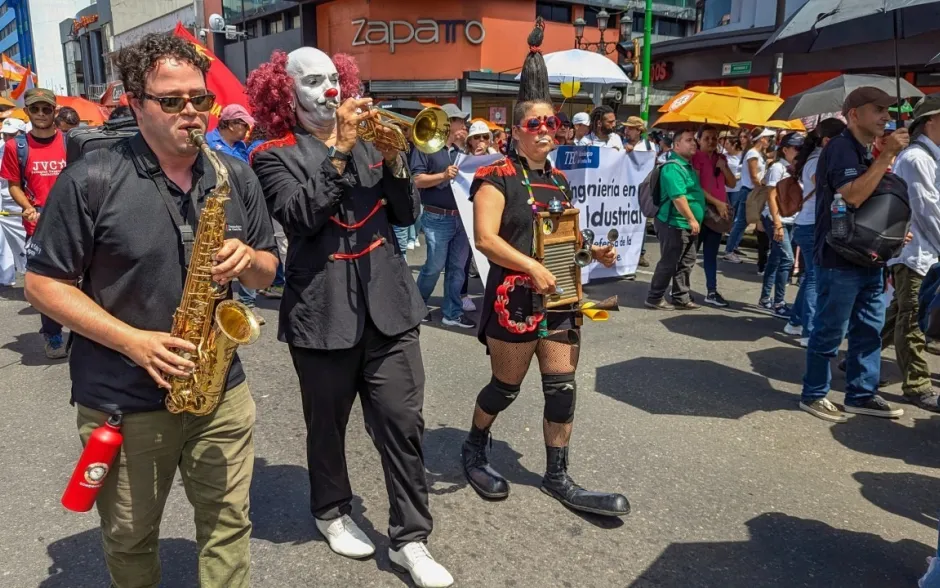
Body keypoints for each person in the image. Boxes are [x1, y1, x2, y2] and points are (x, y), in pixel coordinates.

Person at [24, 33, 279, 587]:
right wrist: (132, 341)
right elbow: (42, 284)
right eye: (172, 101)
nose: (191, 114)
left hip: (220, 392)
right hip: (124, 399)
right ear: (136, 102)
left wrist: (249, 259)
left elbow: (268, 268)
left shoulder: (232, 175)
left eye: (199, 100)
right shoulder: (90, 178)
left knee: (230, 524)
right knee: (131, 537)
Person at [247, 48, 454, 587]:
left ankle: (411, 538)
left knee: (402, 424)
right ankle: (332, 510)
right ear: (284, 93)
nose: (331, 90)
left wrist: (396, 162)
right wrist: (338, 149)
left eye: (335, 78)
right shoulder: (271, 154)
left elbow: (407, 214)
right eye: (314, 81)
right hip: (322, 313)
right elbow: (300, 216)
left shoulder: (370, 140)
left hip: (390, 306)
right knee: (327, 426)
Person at [459, 18, 629, 519]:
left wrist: (592, 251)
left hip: (558, 300)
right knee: (505, 389)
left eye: (550, 124)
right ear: (515, 131)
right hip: (513, 302)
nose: (544, 132)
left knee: (562, 390)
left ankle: (557, 475)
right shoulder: (495, 176)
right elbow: (487, 239)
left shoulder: (557, 179)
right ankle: (474, 445)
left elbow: (566, 240)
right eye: (533, 125)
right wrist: (530, 264)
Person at [800, 86, 909, 423]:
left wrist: (890, 232)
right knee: (831, 329)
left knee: (868, 330)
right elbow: (852, 196)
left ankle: (861, 394)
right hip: (839, 259)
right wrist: (887, 155)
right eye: (878, 110)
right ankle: (814, 393)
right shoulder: (843, 150)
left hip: (867, 256)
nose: (885, 118)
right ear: (854, 114)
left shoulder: (861, 151)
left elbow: (871, 204)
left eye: (888, 112)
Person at [880, 95, 940, 411]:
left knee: (901, 312)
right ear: (929, 121)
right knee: (912, 318)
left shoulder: (931, 156)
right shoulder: (918, 158)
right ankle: (917, 385)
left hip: (925, 251)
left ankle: (862, 358)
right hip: (917, 251)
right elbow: (927, 210)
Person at [0, 88, 68, 358]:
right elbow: (14, 185)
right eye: (35, 109)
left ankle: (90, 335)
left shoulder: (69, 143)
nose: (41, 114)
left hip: (73, 224)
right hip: (37, 227)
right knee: (46, 285)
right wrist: (27, 207)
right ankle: (52, 335)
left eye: (46, 109)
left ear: (55, 111)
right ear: (26, 111)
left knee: (86, 281)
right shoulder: (15, 147)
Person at [412, 103, 475, 328]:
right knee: (434, 266)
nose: (464, 124)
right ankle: (417, 306)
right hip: (437, 216)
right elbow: (416, 180)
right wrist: (442, 175)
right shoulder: (426, 148)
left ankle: (452, 312)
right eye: (461, 121)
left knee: (458, 268)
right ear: (449, 123)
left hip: (460, 217)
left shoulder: (460, 153)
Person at [785, 118, 846, 348]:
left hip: (809, 224)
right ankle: (809, 331)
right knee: (814, 279)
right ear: (828, 140)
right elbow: (828, 187)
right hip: (811, 226)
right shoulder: (818, 160)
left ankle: (795, 321)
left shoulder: (817, 158)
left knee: (811, 277)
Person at [204, 104, 267, 325]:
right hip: (217, 207)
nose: (247, 129)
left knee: (247, 252)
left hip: (243, 204)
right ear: (230, 124)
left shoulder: (242, 146)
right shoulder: (208, 143)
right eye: (243, 124)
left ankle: (248, 305)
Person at [645, 127, 705, 311]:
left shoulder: (687, 167)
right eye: (688, 140)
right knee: (669, 262)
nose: (693, 143)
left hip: (685, 224)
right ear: (676, 145)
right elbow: (678, 197)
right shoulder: (672, 168)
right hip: (674, 223)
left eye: (694, 140)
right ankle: (654, 297)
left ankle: (681, 296)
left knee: (686, 262)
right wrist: (692, 219)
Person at [758, 132, 803, 318]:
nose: (799, 151)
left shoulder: (798, 168)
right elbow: (771, 195)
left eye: (802, 148)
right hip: (776, 219)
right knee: (787, 260)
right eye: (796, 148)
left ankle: (764, 298)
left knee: (776, 258)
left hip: (792, 219)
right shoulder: (777, 167)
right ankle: (779, 302)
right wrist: (776, 223)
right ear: (785, 149)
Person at [691, 125, 736, 307]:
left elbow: (732, 182)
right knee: (690, 254)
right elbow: (696, 187)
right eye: (707, 138)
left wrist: (723, 168)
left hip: (717, 214)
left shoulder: (721, 158)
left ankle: (711, 290)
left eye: (715, 138)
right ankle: (680, 288)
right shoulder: (695, 158)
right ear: (699, 140)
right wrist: (717, 202)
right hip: (701, 211)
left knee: (711, 254)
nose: (711, 142)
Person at [0, 117, 26, 286]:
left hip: (22, 204)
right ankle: (6, 278)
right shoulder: (1, 148)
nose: (8, 138)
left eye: (12, 135)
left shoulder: (25, 149)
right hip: (4, 204)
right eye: (5, 135)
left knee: (27, 243)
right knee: (4, 244)